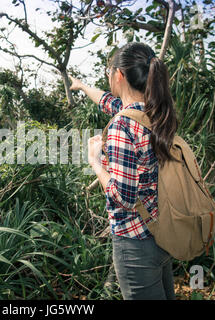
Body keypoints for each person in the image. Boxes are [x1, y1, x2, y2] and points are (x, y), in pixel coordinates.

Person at [69, 42, 177, 300]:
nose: (107, 76)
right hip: (162, 234)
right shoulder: (154, 114)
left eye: (109, 70)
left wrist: (95, 161)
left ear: (119, 75)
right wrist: (83, 86)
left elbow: (124, 196)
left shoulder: (122, 126)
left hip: (135, 244)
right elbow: (108, 102)